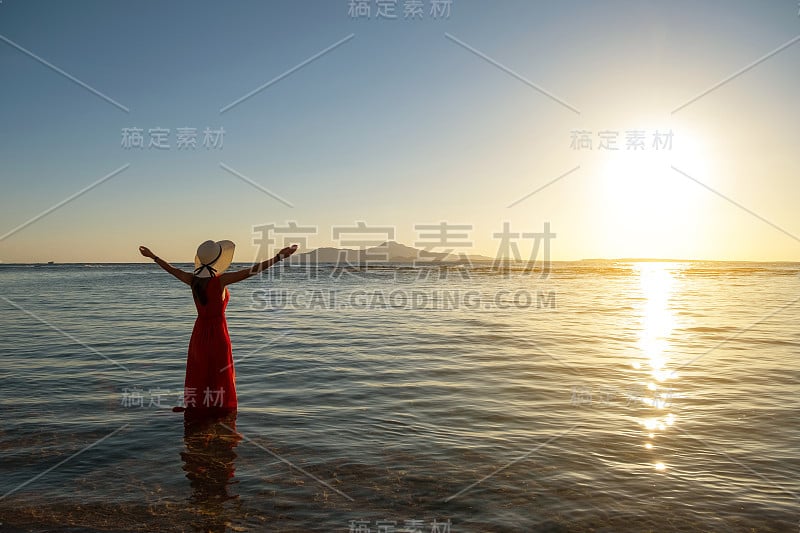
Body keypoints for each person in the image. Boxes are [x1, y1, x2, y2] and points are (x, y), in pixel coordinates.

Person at [138, 240, 298, 417]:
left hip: (199, 332)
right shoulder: (221, 281)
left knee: (200, 371)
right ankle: (220, 412)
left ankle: (199, 410)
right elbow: (251, 271)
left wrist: (153, 256)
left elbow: (171, 270)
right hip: (218, 333)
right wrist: (278, 257)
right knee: (220, 371)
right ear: (217, 259)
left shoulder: (192, 280)